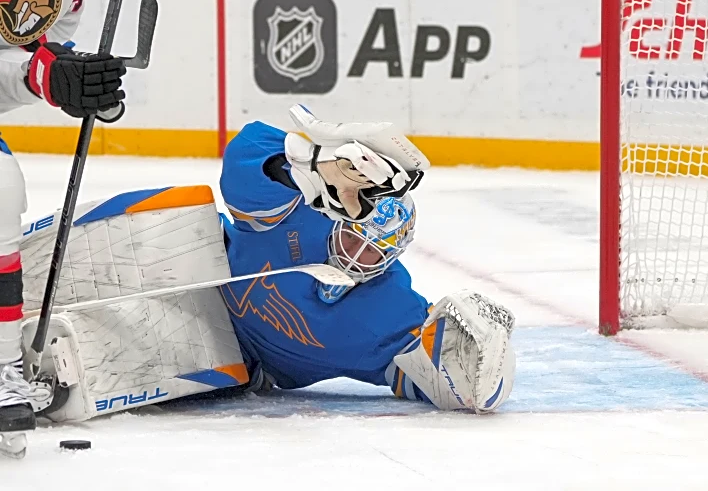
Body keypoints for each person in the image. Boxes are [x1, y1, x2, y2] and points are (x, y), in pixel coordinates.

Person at [18, 106, 516, 421]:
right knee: (181, 215)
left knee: (185, 359)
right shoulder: (303, 209)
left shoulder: (389, 311)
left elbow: (440, 377)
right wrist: (304, 164)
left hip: (234, 356)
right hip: (197, 263)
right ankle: (16, 271)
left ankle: (34, 375)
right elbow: (243, 159)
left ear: (391, 258)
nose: (354, 256)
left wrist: (483, 365)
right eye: (353, 237)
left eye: (372, 253)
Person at [0, 0, 196, 459]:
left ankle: (2, 372)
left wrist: (58, 80)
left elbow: (8, 77)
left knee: (1, 189)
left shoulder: (67, 10)